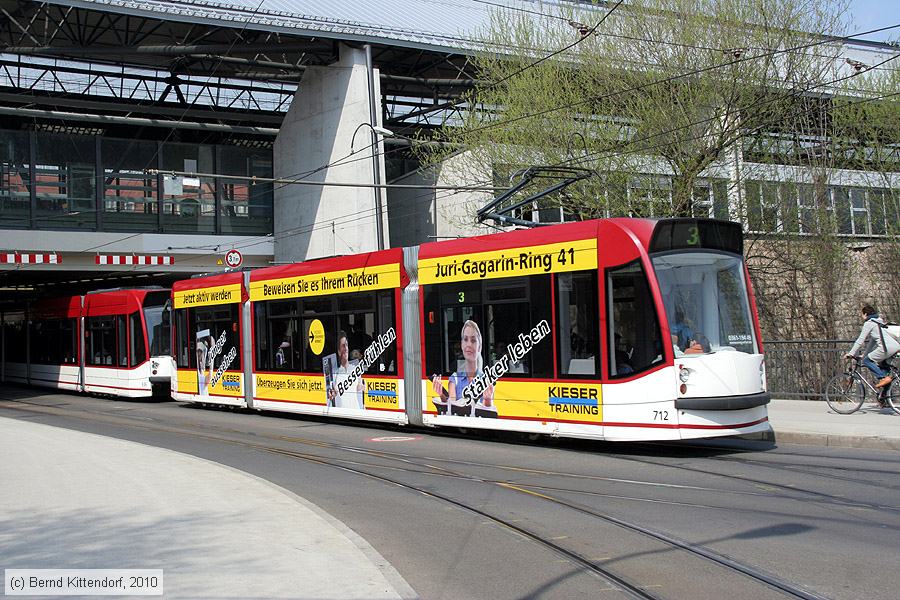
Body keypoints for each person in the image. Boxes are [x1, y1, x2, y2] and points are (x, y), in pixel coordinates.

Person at [431, 319, 496, 417]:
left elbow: (488, 415)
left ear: (479, 347)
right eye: (465, 339)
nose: (469, 344)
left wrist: (487, 400)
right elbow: (451, 409)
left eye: (473, 340)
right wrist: (441, 394)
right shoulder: (455, 378)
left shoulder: (486, 380)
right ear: (462, 345)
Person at [845, 304, 900, 388]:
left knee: (866, 361)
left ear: (865, 314)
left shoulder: (869, 323)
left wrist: (851, 353)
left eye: (862, 314)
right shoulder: (878, 321)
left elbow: (860, 340)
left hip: (886, 348)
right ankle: (885, 397)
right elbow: (873, 341)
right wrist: (865, 353)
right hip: (895, 346)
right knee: (883, 366)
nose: (862, 316)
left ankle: (883, 378)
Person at [327, 330, 365, 410]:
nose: (345, 348)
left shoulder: (355, 369)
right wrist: (331, 394)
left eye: (346, 345)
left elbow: (360, 389)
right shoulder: (335, 374)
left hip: (356, 412)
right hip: (342, 412)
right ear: (339, 351)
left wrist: (362, 387)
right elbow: (333, 392)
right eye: (343, 346)